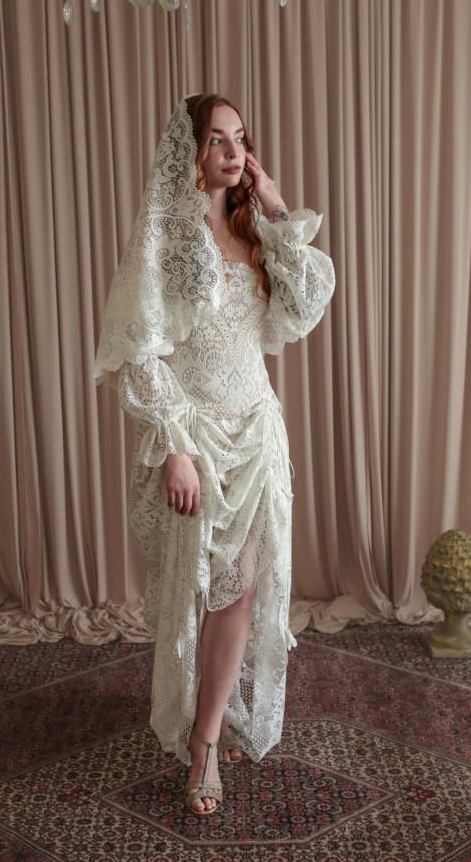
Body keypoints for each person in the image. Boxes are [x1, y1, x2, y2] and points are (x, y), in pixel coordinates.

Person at [94, 94, 335, 815]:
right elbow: (140, 349)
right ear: (191, 154)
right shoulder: (167, 237)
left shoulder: (255, 230)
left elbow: (304, 305)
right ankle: (204, 711)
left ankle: (203, 740)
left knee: (241, 587)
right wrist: (174, 446)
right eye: (217, 140)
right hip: (195, 437)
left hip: (255, 433)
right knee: (196, 589)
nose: (233, 153)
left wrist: (276, 204)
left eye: (241, 139)